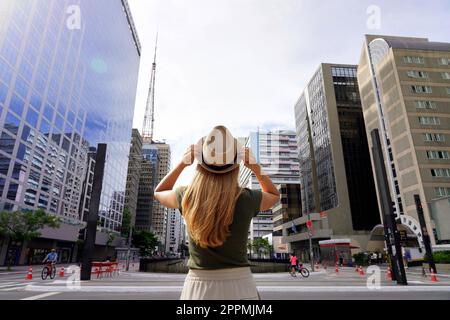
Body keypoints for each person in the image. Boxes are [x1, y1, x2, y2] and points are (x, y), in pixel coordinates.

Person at [154, 125, 280, 300]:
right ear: (235, 165)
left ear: (200, 165)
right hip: (241, 286)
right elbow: (274, 195)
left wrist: (182, 164)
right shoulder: (246, 198)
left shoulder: (187, 196)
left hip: (198, 288)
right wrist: (256, 168)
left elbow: (158, 192)